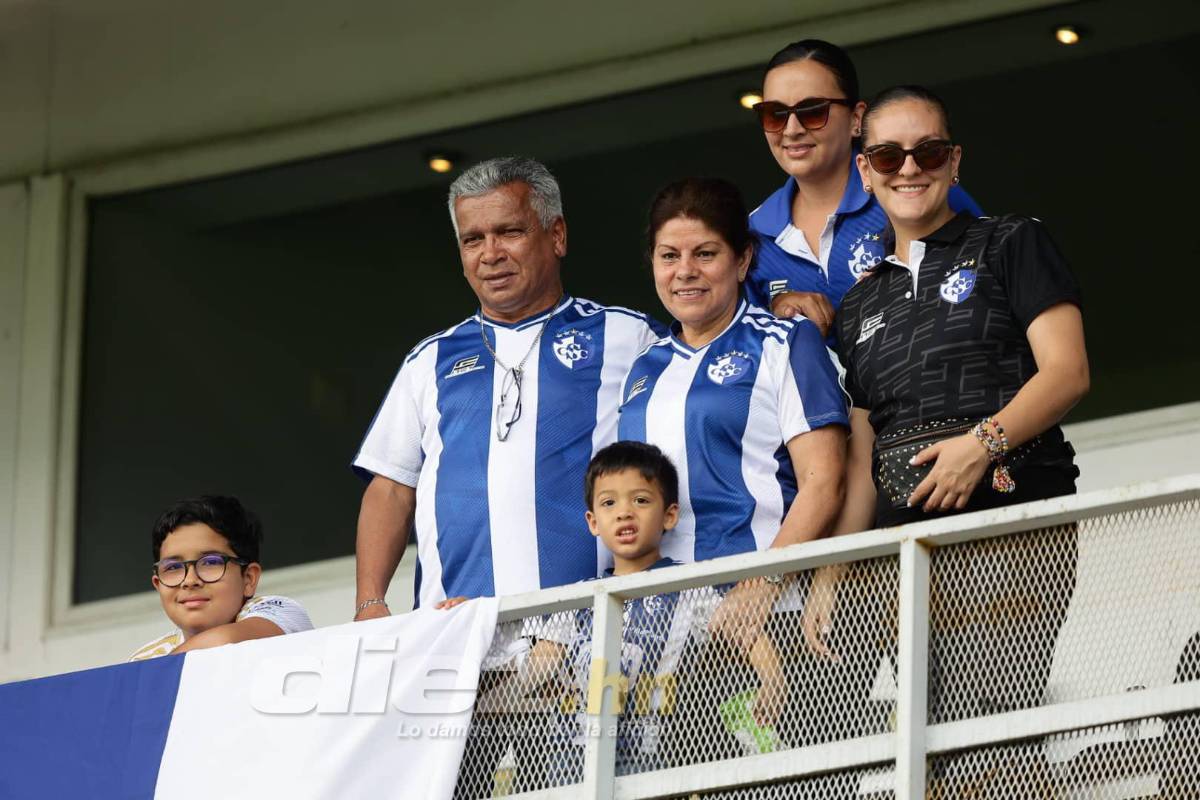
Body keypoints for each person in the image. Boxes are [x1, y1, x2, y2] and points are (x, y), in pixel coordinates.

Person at [828, 85, 1089, 793]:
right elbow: (861, 454)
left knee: (994, 734)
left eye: (929, 151)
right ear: (865, 171)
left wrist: (982, 445)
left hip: (1009, 524)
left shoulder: (1010, 240)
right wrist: (832, 572)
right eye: (889, 155)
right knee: (933, 746)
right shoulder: (858, 303)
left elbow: (1068, 372)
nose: (909, 167)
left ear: (955, 161)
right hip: (902, 551)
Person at [352, 156, 664, 618]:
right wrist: (370, 601)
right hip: (455, 629)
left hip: (591, 622)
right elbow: (392, 489)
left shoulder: (629, 336)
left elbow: (673, 463)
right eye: (472, 239)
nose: (490, 253)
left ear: (557, 236)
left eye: (509, 232)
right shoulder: (429, 360)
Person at [441, 442, 787, 788]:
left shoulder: (687, 587)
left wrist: (773, 679)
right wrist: (471, 621)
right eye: (609, 503)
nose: (624, 513)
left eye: (641, 500)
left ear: (669, 515)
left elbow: (745, 632)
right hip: (570, 754)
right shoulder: (579, 597)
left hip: (648, 750)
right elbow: (540, 664)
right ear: (593, 521)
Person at [618, 176, 848, 655]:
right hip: (666, 631)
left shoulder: (786, 341)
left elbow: (824, 481)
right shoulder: (643, 366)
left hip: (770, 616)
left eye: (705, 254)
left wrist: (761, 585)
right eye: (669, 256)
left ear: (742, 260)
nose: (685, 271)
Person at [746, 39, 981, 335]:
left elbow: (989, 283)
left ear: (856, 119)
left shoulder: (912, 186)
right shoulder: (752, 232)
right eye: (775, 114)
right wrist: (774, 310)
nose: (792, 130)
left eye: (813, 111)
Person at [129, 495, 313, 661]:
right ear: (158, 584)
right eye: (173, 567)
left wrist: (151, 675)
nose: (190, 580)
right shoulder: (145, 658)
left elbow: (223, 640)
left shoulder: (282, 612)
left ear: (249, 578)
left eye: (210, 562)